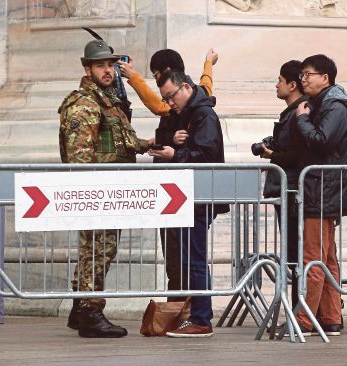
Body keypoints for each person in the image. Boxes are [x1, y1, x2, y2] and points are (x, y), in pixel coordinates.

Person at [59, 39, 150, 337]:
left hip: (112, 189)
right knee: (98, 249)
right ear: (87, 68)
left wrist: (149, 145)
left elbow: (122, 142)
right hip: (97, 191)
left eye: (110, 65)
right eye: (101, 65)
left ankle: (79, 308)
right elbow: (79, 156)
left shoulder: (107, 101)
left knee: (98, 249)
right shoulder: (85, 103)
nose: (108, 70)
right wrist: (91, 193)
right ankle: (90, 312)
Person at [119, 49, 218, 293]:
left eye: (156, 76)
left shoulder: (190, 108)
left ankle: (189, 310)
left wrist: (133, 78)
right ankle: (181, 307)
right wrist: (208, 62)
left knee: (186, 259)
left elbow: (158, 106)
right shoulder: (196, 95)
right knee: (181, 257)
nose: (169, 102)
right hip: (177, 193)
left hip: (185, 194)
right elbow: (206, 82)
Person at [148, 69, 228, 338]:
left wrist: (176, 154)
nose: (169, 103)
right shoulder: (188, 114)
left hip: (197, 197)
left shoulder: (204, 115)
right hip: (186, 196)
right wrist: (173, 145)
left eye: (171, 96)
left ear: (185, 87)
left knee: (195, 258)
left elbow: (205, 155)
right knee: (190, 258)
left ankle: (201, 318)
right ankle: (197, 315)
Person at [292, 54, 347, 337]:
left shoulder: (333, 106)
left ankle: (306, 320)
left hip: (322, 188)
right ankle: (331, 317)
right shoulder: (327, 104)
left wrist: (303, 120)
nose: (303, 79)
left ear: (325, 78)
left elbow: (321, 141)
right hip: (323, 187)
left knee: (313, 258)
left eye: (308, 74)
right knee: (326, 257)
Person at [259, 60, 307, 309]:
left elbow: (296, 154)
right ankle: (299, 308)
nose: (276, 85)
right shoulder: (292, 113)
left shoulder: (299, 113)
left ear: (292, 84)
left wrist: (272, 155)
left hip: (291, 189)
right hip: (286, 189)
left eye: (279, 80)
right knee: (293, 254)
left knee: (296, 254)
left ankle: (300, 309)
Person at [118, 48, 217, 116]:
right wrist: (208, 62)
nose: (171, 102)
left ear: (167, 71)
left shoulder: (183, 104)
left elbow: (160, 107)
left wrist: (133, 76)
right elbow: (206, 84)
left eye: (156, 75)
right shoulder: (200, 93)